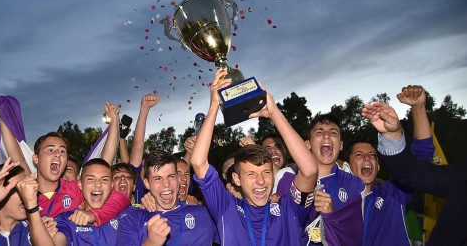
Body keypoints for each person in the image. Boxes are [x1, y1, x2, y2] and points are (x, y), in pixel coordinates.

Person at [190, 69, 318, 245]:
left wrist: (274, 113)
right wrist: (213, 107)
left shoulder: (289, 209)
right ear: (236, 178)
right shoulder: (227, 208)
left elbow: (310, 171)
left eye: (265, 172)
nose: (260, 181)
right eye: (250, 174)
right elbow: (198, 161)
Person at [362, 86, 467, 245]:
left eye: (372, 155)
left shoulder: (393, 193)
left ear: (379, 166)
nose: (367, 159)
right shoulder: (335, 196)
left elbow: (419, 161)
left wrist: (417, 109)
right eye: (359, 155)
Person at [0, 101, 129, 225]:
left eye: (62, 151)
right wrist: (2, 117)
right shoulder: (27, 190)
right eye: (50, 150)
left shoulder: (74, 189)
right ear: (36, 158)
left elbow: (102, 166)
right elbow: (15, 155)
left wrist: (114, 123)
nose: (57, 154)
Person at [275, 112, 365, 245]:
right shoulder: (286, 179)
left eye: (333, 132)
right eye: (319, 132)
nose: (327, 135)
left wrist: (332, 217)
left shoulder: (355, 185)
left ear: (340, 145)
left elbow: (355, 237)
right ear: (307, 145)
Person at [116, 150, 219, 246]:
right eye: (158, 178)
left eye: (171, 176)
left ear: (178, 179)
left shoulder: (203, 213)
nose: (166, 184)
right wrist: (151, 243)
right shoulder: (132, 218)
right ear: (147, 183)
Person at [55, 159, 123, 245]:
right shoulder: (68, 219)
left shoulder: (124, 216)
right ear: (80, 184)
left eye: (104, 180)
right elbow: (57, 241)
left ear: (111, 185)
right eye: (91, 179)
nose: (98, 184)